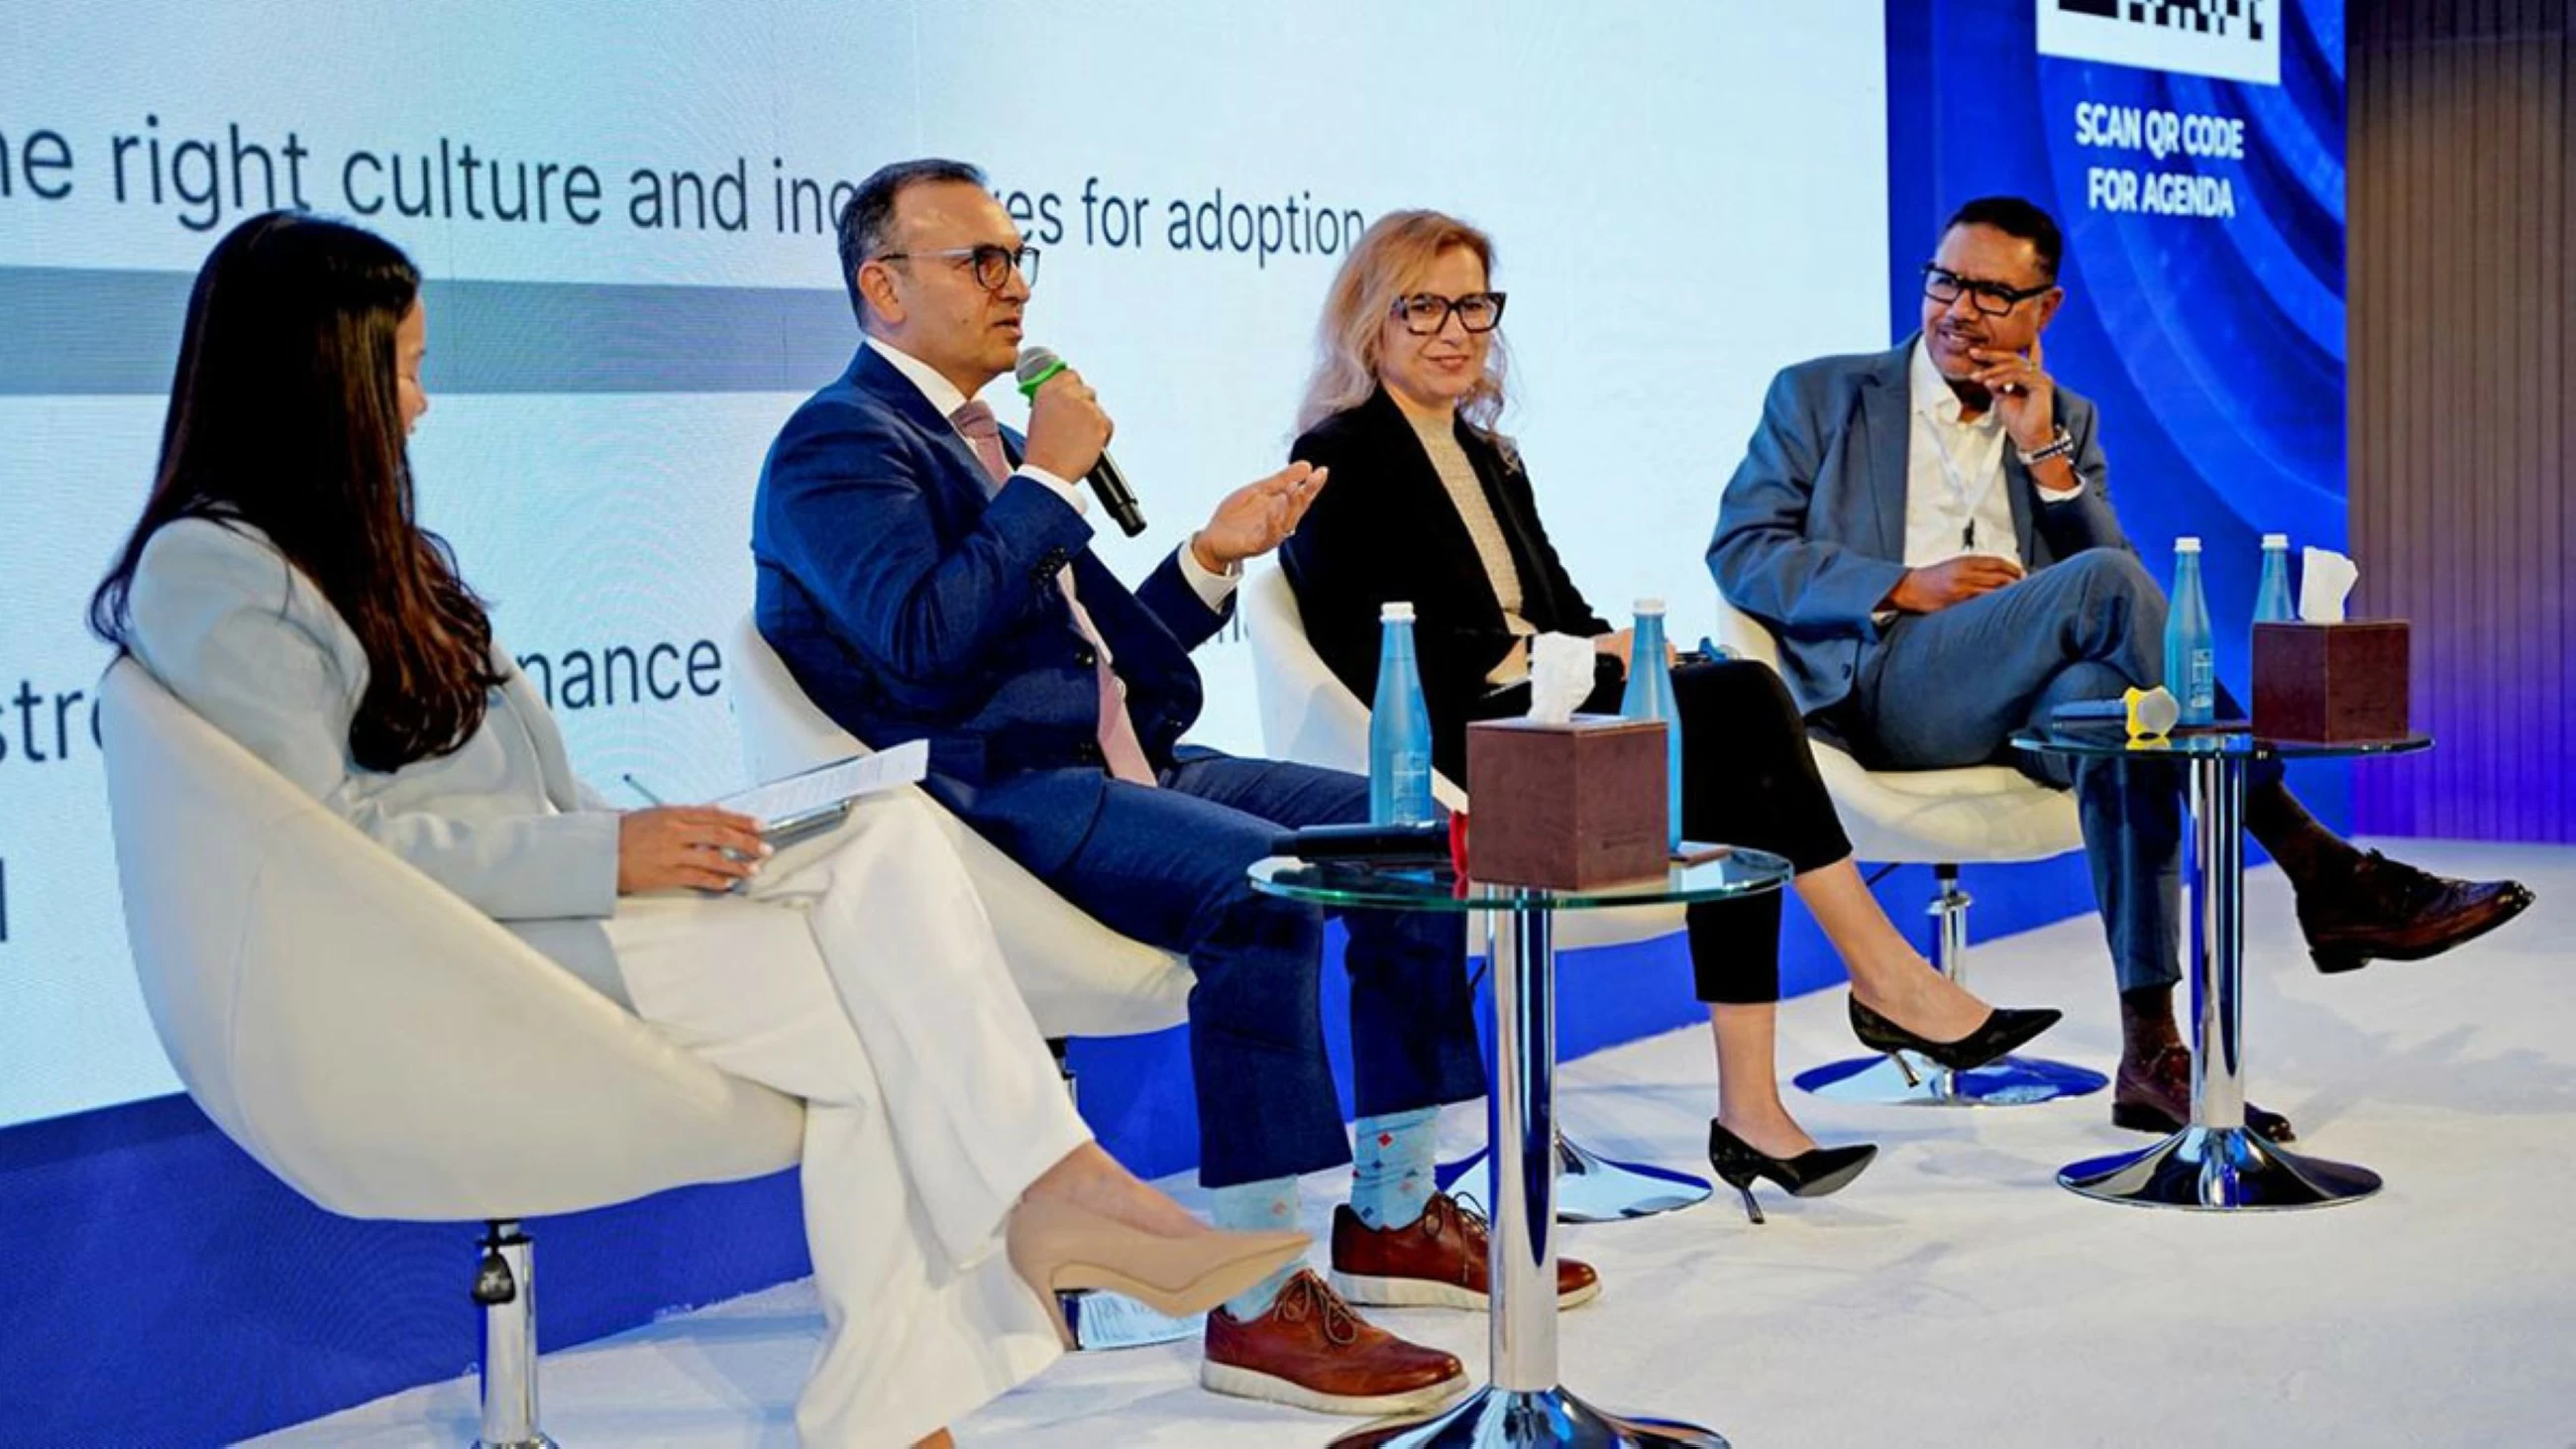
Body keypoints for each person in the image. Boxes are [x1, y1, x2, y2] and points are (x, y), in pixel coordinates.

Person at [91, 211, 1310, 1449]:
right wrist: (608, 856)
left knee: (883, 840)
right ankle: (1022, 1243)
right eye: (401, 369)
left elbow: (518, 794)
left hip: (555, 903)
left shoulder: (384, 557)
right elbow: (335, 850)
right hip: (459, 956)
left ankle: (975, 1310)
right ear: (315, 379)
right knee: (888, 1015)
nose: (421, 402)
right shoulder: (210, 570)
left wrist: (647, 833)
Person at [751, 160, 1599, 1419]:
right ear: (882, 286)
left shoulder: (986, 439)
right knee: (1264, 884)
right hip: (988, 794)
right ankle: (1255, 1296)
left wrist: (1208, 555)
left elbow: (1105, 659)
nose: (1014, 284)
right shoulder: (839, 444)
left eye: (1017, 256)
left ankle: (1394, 1207)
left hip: (1112, 758)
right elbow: (922, 644)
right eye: (980, 261)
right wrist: (1046, 483)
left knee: (1416, 833)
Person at [1281, 209, 2062, 1217]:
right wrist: (1575, 658)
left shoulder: (1487, 454)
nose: (1454, 330)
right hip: (1458, 758)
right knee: (1742, 706)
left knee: (1738, 747)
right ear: (1369, 322)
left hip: (1550, 718)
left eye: (1473, 305)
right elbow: (1388, 653)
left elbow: (1561, 611)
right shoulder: (1339, 454)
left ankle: (1758, 1104)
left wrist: (1627, 653)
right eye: (1422, 307)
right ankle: (1880, 985)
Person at [1709, 195, 2535, 1141]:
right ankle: (2316, 860)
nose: (1958, 311)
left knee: (2125, 711)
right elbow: (1743, 550)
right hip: (1888, 688)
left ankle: (2151, 1053)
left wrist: (2045, 458)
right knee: (2106, 591)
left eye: (1990, 293)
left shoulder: (2064, 420)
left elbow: (2124, 599)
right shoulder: (1822, 395)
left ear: (2044, 308)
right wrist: (1903, 583)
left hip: (2026, 703)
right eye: (1945, 282)